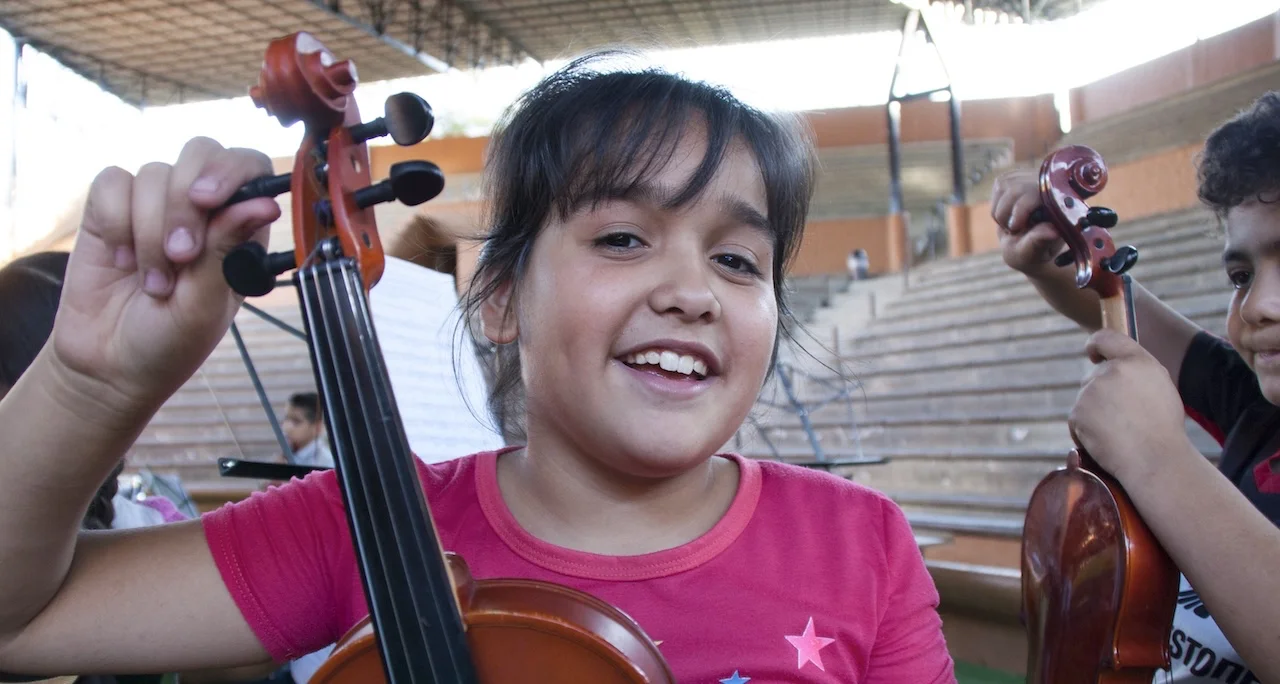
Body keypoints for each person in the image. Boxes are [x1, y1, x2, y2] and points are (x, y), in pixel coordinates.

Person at [0, 53, 955, 682]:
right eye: (623, 238)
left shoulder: (861, 543)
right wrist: (94, 380)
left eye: (738, 259)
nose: (691, 290)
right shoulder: (361, 531)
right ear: (498, 300)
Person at [991, 91, 1280, 683]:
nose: (1259, 305)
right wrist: (1055, 249)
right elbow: (1134, 317)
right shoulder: (1257, 405)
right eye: (1241, 275)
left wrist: (1157, 459)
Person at [280, 392, 332, 468]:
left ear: (317, 427)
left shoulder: (325, 463)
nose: (286, 427)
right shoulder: (285, 455)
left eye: (296, 421)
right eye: (286, 419)